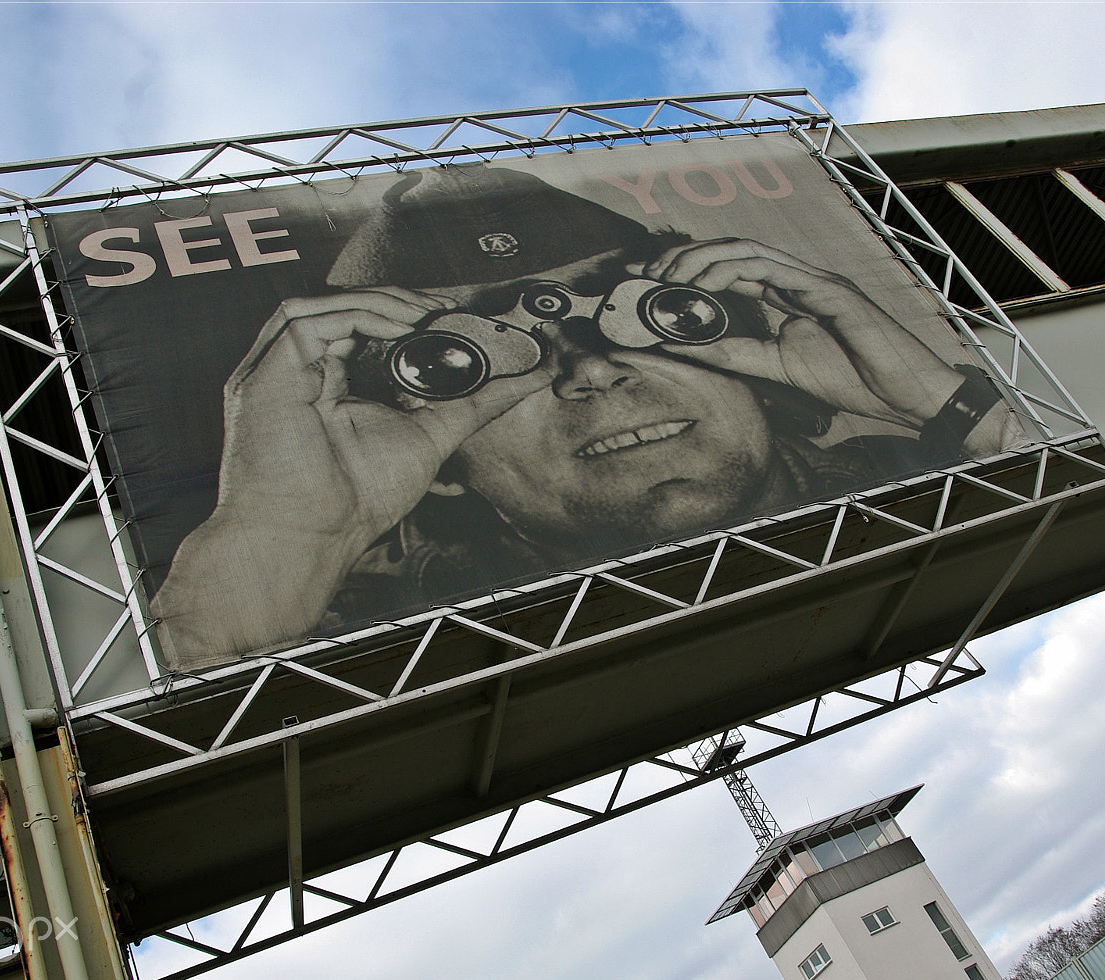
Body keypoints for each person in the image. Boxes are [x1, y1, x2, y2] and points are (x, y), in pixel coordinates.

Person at [152, 164, 1024, 669]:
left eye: (638, 312)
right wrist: (289, 529)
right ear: (437, 456)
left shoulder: (940, 478)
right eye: (479, 354)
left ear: (736, 341)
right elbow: (183, 740)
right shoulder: (392, 637)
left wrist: (940, 404)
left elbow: (1103, 482)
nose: (593, 368)